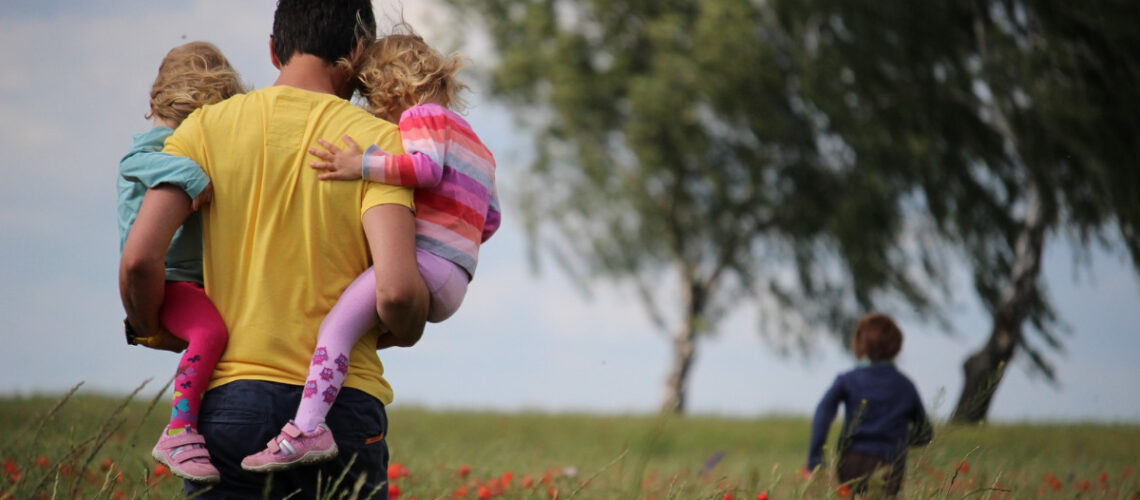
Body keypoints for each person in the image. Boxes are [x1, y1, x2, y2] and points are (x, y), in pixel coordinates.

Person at [118, 1, 430, 497]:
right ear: (358, 51)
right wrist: (406, 329)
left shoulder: (202, 129)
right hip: (342, 411)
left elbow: (138, 259)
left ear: (272, 50)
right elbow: (395, 292)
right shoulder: (380, 145)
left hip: (229, 406)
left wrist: (154, 325)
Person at [241, 30, 501, 472]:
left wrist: (359, 164)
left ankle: (307, 429)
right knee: (359, 328)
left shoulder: (422, 117)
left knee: (335, 329)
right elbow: (490, 219)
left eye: (372, 98)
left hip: (425, 265)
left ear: (392, 88)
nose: (375, 112)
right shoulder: (478, 145)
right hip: (457, 277)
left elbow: (424, 168)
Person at [117, 41, 244, 484]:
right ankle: (180, 430)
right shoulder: (157, 147)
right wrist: (192, 176)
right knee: (210, 332)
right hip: (169, 280)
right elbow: (135, 161)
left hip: (191, 281)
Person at [804, 313, 933, 498]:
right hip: (889, 465)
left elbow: (822, 414)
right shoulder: (905, 386)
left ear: (859, 343)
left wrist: (815, 460)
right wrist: (899, 440)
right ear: (896, 346)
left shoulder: (847, 380)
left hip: (851, 463)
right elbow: (925, 433)